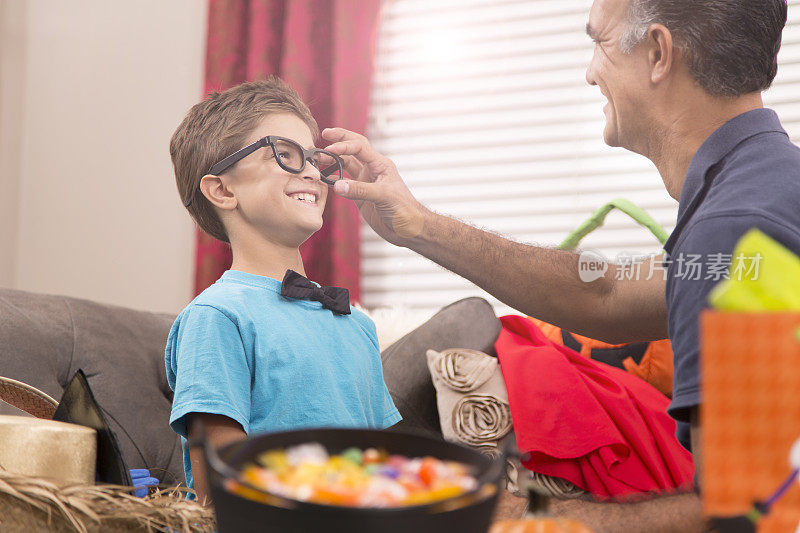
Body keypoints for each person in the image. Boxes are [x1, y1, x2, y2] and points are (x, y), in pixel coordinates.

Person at [321, 0, 800, 530]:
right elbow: (609, 293)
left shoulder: (738, 229)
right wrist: (418, 225)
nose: (590, 73)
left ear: (659, 53)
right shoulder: (767, 190)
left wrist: (526, 515)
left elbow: (749, 515)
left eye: (600, 42)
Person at [165, 78, 401, 504]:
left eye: (313, 158)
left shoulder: (357, 326)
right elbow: (218, 492)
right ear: (222, 189)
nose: (312, 171)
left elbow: (382, 467)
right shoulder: (217, 317)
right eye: (285, 155)